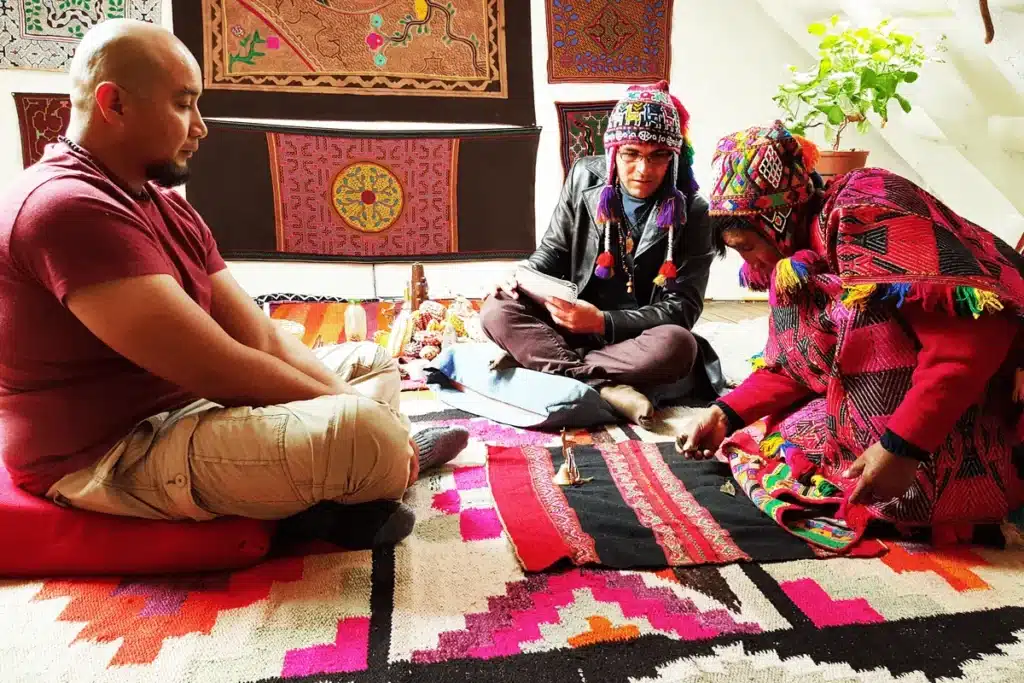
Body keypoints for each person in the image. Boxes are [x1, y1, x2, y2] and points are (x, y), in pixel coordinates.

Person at [0, 19, 468, 549]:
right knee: (365, 434)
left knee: (370, 363)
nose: (200, 127)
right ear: (115, 105)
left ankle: (338, 494)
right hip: (113, 451)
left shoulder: (163, 206)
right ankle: (363, 476)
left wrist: (340, 398)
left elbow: (261, 338)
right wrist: (355, 413)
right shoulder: (64, 207)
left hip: (187, 407)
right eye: (183, 104)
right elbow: (219, 368)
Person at [675, 121, 1023, 544]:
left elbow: (972, 338)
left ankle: (959, 480)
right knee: (777, 439)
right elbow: (798, 364)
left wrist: (902, 447)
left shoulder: (868, 211)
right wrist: (724, 413)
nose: (750, 264)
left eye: (747, 246)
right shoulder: (797, 261)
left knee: (866, 323)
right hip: (910, 396)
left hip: (986, 393)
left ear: (778, 222)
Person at [480, 81, 724, 428]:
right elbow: (553, 252)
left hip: (636, 338)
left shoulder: (692, 209)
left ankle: (552, 366)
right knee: (496, 309)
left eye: (658, 156)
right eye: (632, 154)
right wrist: (519, 276)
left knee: (679, 346)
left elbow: (682, 308)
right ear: (613, 151)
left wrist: (601, 322)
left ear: (674, 155)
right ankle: (605, 386)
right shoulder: (584, 176)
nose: (644, 169)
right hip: (571, 323)